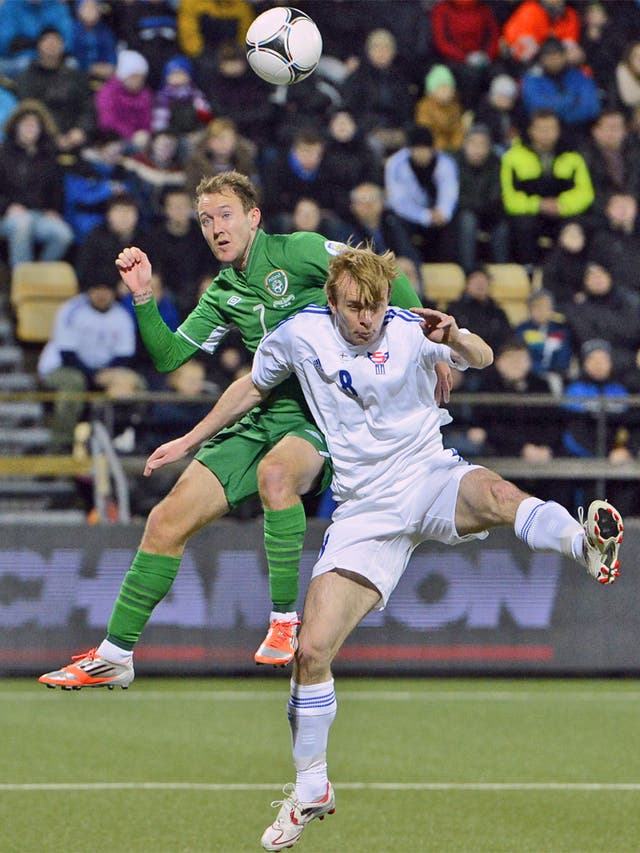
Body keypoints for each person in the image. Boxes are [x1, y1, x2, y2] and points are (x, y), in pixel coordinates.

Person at [138, 245, 622, 850]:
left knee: (496, 494)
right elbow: (250, 389)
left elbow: (483, 357)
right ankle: (310, 785)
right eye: (354, 308)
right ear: (332, 303)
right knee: (311, 651)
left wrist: (459, 336)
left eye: (375, 307)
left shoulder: (414, 331)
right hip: (363, 510)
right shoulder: (301, 334)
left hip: (427, 476)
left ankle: (584, 542)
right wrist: (189, 439)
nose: (366, 319)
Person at [38, 170, 436, 690]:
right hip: (261, 415)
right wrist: (142, 296)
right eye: (205, 220)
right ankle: (116, 655)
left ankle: (283, 622)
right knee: (164, 520)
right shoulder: (224, 292)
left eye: (225, 215)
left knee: (276, 476)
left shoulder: (299, 250)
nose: (215, 228)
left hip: (325, 417)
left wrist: (426, 334)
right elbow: (170, 356)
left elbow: (382, 272)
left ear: (253, 217)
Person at [37, 265, 142, 452]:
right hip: (60, 368)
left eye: (106, 290)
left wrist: (109, 376)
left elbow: (124, 356)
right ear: (89, 290)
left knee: (136, 383)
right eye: (96, 289)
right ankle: (60, 447)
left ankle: (125, 443)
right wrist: (96, 377)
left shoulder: (122, 316)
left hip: (103, 372)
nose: (101, 294)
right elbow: (67, 355)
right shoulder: (71, 310)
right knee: (74, 384)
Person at [500, 109, 595, 267]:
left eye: (551, 128)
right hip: (529, 213)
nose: (546, 133)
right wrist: (539, 205)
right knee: (523, 226)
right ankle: (528, 271)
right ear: (531, 130)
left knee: (576, 227)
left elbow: (585, 193)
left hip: (563, 213)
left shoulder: (573, 156)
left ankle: (565, 274)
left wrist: (561, 205)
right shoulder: (512, 157)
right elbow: (509, 198)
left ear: (558, 130)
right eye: (541, 129)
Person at [0, 99, 74, 268]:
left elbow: (56, 188)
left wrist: (53, 210)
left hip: (37, 214)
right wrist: (7, 207)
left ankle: (39, 276)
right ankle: (22, 277)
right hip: (6, 216)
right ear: (15, 126)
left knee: (63, 234)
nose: (30, 129)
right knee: (22, 223)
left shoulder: (48, 156)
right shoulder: (2, 153)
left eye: (34, 125)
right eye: (26, 124)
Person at [384, 125, 459, 263]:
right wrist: (425, 216)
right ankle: (412, 265)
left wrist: (443, 212)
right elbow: (398, 202)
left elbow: (449, 192)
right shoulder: (395, 164)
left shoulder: (446, 163)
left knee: (456, 222)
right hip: (408, 216)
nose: (421, 153)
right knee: (393, 221)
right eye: (417, 149)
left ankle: (446, 267)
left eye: (425, 149)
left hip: (438, 216)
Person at [521, 36, 601, 131]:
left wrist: (563, 117)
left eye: (557, 56)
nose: (554, 61)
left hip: (578, 129)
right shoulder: (532, 79)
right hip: (545, 131)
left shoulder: (579, 76)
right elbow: (537, 107)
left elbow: (592, 108)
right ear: (541, 59)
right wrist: (571, 99)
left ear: (564, 56)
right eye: (549, 58)